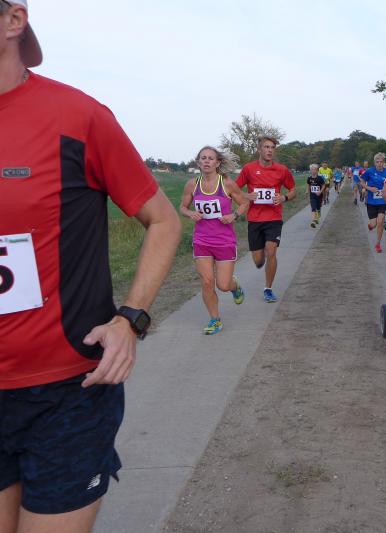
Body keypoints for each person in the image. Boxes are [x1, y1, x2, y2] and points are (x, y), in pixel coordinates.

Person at [0, 2, 182, 530]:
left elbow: (163, 220)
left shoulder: (77, 116)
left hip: (66, 391)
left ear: (13, 20)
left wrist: (131, 318)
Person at [179, 146, 249, 334]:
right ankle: (215, 320)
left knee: (223, 285)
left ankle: (235, 286)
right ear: (198, 162)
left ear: (217, 163)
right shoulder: (192, 185)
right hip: (202, 240)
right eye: (203, 158)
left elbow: (244, 203)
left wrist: (234, 215)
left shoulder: (227, 184)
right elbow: (182, 207)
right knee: (207, 282)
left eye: (211, 158)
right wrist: (190, 213)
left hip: (224, 240)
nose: (207, 161)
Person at [236, 136, 297, 303]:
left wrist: (284, 197)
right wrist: (247, 195)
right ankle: (260, 251)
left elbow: (293, 190)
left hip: (273, 218)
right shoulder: (249, 169)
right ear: (259, 149)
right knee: (258, 261)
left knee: (271, 250)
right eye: (266, 147)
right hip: (254, 219)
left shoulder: (282, 170)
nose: (270, 150)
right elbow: (234, 189)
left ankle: (268, 289)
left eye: (272, 147)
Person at [361, 152, 386, 253]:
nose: (379, 164)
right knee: (373, 224)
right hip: (371, 202)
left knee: (380, 221)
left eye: (381, 162)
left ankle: (378, 244)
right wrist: (369, 188)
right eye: (377, 162)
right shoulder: (369, 171)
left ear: (384, 162)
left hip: (383, 202)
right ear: (374, 163)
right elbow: (361, 182)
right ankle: (371, 225)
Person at [306, 163, 327, 228]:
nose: (313, 171)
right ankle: (313, 221)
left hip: (319, 196)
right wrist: (307, 191)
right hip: (312, 196)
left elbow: (323, 186)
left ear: (317, 171)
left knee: (318, 208)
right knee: (313, 208)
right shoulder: (309, 178)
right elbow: (308, 185)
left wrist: (320, 192)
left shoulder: (320, 178)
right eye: (311, 170)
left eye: (314, 169)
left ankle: (318, 214)